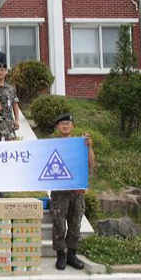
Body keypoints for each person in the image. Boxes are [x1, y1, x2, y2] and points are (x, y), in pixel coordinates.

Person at [51, 113, 96, 271]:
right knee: (59, 225)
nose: (65, 126)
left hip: (77, 193)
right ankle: (60, 255)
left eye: (68, 123)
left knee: (75, 224)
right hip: (60, 193)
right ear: (57, 127)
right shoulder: (52, 145)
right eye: (62, 123)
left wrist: (89, 146)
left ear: (73, 126)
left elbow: (91, 163)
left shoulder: (81, 143)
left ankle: (72, 254)